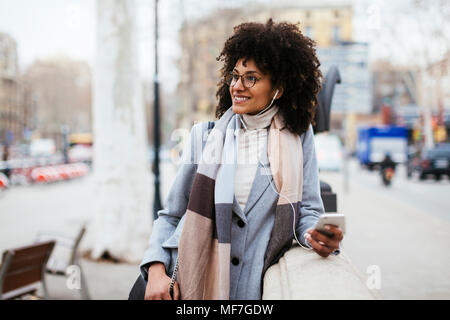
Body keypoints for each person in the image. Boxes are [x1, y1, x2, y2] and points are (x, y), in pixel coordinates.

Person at [136, 19, 344, 300]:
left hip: (252, 292)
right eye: (235, 76)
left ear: (278, 89)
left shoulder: (298, 138)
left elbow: (307, 210)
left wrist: (318, 236)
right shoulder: (204, 137)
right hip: (188, 285)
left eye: (251, 78)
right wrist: (156, 269)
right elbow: (171, 215)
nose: (237, 86)